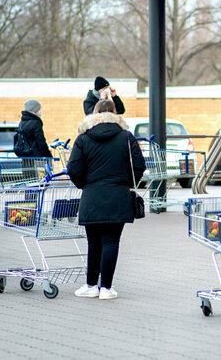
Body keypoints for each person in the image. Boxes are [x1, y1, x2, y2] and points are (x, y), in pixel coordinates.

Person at [68, 100, 145, 300]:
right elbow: (139, 165)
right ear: (115, 113)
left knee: (93, 243)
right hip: (118, 195)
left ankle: (91, 285)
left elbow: (73, 169)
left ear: (94, 113)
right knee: (111, 241)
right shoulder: (126, 137)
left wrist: (85, 184)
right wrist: (126, 181)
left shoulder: (83, 138)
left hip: (92, 196)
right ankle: (106, 288)